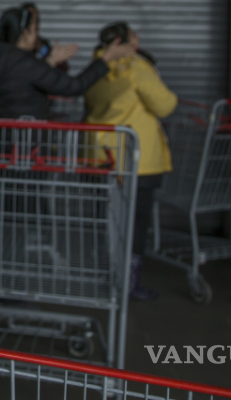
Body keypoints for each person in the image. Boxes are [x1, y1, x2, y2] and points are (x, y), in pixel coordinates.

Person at [83, 22, 177, 301]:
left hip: (101, 156)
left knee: (107, 220)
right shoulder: (135, 67)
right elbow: (166, 104)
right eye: (134, 38)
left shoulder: (95, 68)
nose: (138, 43)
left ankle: (105, 274)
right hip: (137, 160)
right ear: (123, 43)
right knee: (135, 225)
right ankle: (129, 282)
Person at [0, 6, 133, 120]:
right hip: (25, 140)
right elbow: (74, 86)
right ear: (25, 34)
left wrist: (50, 61)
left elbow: (19, 82)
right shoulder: (24, 63)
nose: (36, 35)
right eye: (34, 30)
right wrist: (105, 59)